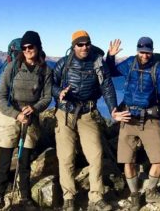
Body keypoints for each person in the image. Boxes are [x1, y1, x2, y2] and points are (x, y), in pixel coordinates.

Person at [105, 36, 160, 211]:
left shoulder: (158, 67)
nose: (145, 55)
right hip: (128, 117)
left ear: (152, 51)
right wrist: (110, 56)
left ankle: (150, 190)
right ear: (137, 50)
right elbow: (111, 71)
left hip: (149, 118)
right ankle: (135, 195)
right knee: (127, 160)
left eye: (148, 52)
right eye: (142, 52)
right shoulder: (130, 63)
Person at [52, 30, 119, 211]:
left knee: (96, 154)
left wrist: (113, 108)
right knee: (66, 157)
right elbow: (50, 84)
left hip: (88, 114)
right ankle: (69, 197)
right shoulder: (64, 63)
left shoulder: (97, 63)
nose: (84, 47)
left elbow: (107, 86)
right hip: (65, 113)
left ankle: (96, 197)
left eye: (87, 44)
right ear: (73, 46)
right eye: (80, 44)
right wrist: (59, 93)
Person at [0, 31, 52, 209]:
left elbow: (47, 97)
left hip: (30, 117)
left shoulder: (45, 70)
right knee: (4, 161)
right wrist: (16, 114)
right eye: (24, 47)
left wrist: (34, 108)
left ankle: (25, 197)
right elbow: (0, 98)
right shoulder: (12, 68)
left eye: (31, 47)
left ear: (38, 47)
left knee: (24, 161)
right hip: (10, 116)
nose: (27, 50)